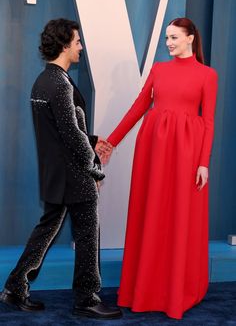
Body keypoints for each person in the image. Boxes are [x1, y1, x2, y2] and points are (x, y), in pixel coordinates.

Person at [0, 18, 122, 320]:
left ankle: (15, 288)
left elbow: (62, 129)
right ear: (65, 45)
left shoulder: (45, 80)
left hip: (56, 172)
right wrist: (95, 169)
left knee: (47, 229)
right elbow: (71, 135)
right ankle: (86, 298)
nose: (81, 47)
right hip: (73, 174)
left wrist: (94, 140)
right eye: (78, 42)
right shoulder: (59, 84)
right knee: (86, 233)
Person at [98, 17, 218, 319]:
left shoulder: (207, 75)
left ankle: (178, 289)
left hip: (188, 152)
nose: (169, 43)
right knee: (150, 213)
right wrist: (111, 141)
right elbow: (140, 106)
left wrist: (204, 161)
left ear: (191, 38)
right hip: (153, 150)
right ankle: (145, 287)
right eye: (167, 38)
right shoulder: (159, 70)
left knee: (180, 216)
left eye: (174, 37)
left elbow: (209, 120)